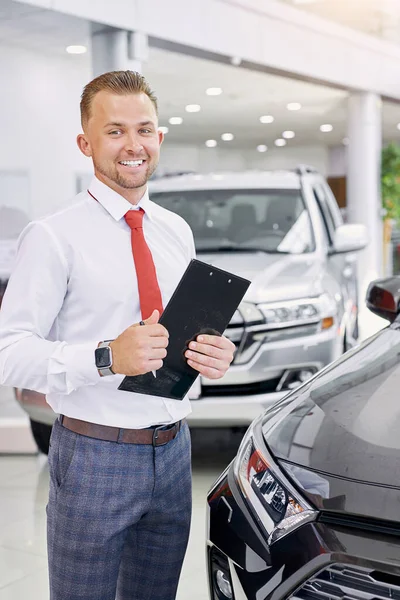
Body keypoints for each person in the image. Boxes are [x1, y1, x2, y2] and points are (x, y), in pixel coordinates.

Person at [0, 70, 235, 600]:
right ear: (86, 143)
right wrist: (107, 356)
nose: (133, 145)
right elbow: (8, 353)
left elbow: (179, 336)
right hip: (93, 456)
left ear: (159, 138)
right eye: (115, 131)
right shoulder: (53, 235)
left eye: (144, 129)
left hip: (175, 451)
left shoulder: (176, 230)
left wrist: (211, 354)